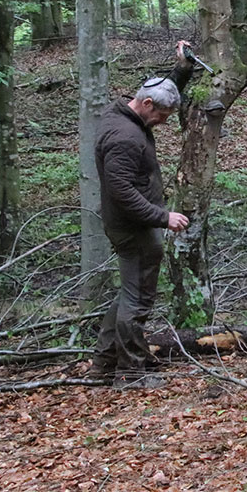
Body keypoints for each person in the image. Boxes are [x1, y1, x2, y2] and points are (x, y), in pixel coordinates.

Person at [90, 41, 194, 390]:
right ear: (147, 105)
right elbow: (121, 193)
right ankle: (130, 374)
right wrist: (163, 217)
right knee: (137, 301)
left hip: (134, 225)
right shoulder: (124, 138)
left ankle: (103, 363)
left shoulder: (124, 112)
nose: (163, 122)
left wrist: (180, 71)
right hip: (133, 228)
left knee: (129, 295)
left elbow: (159, 93)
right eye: (162, 116)